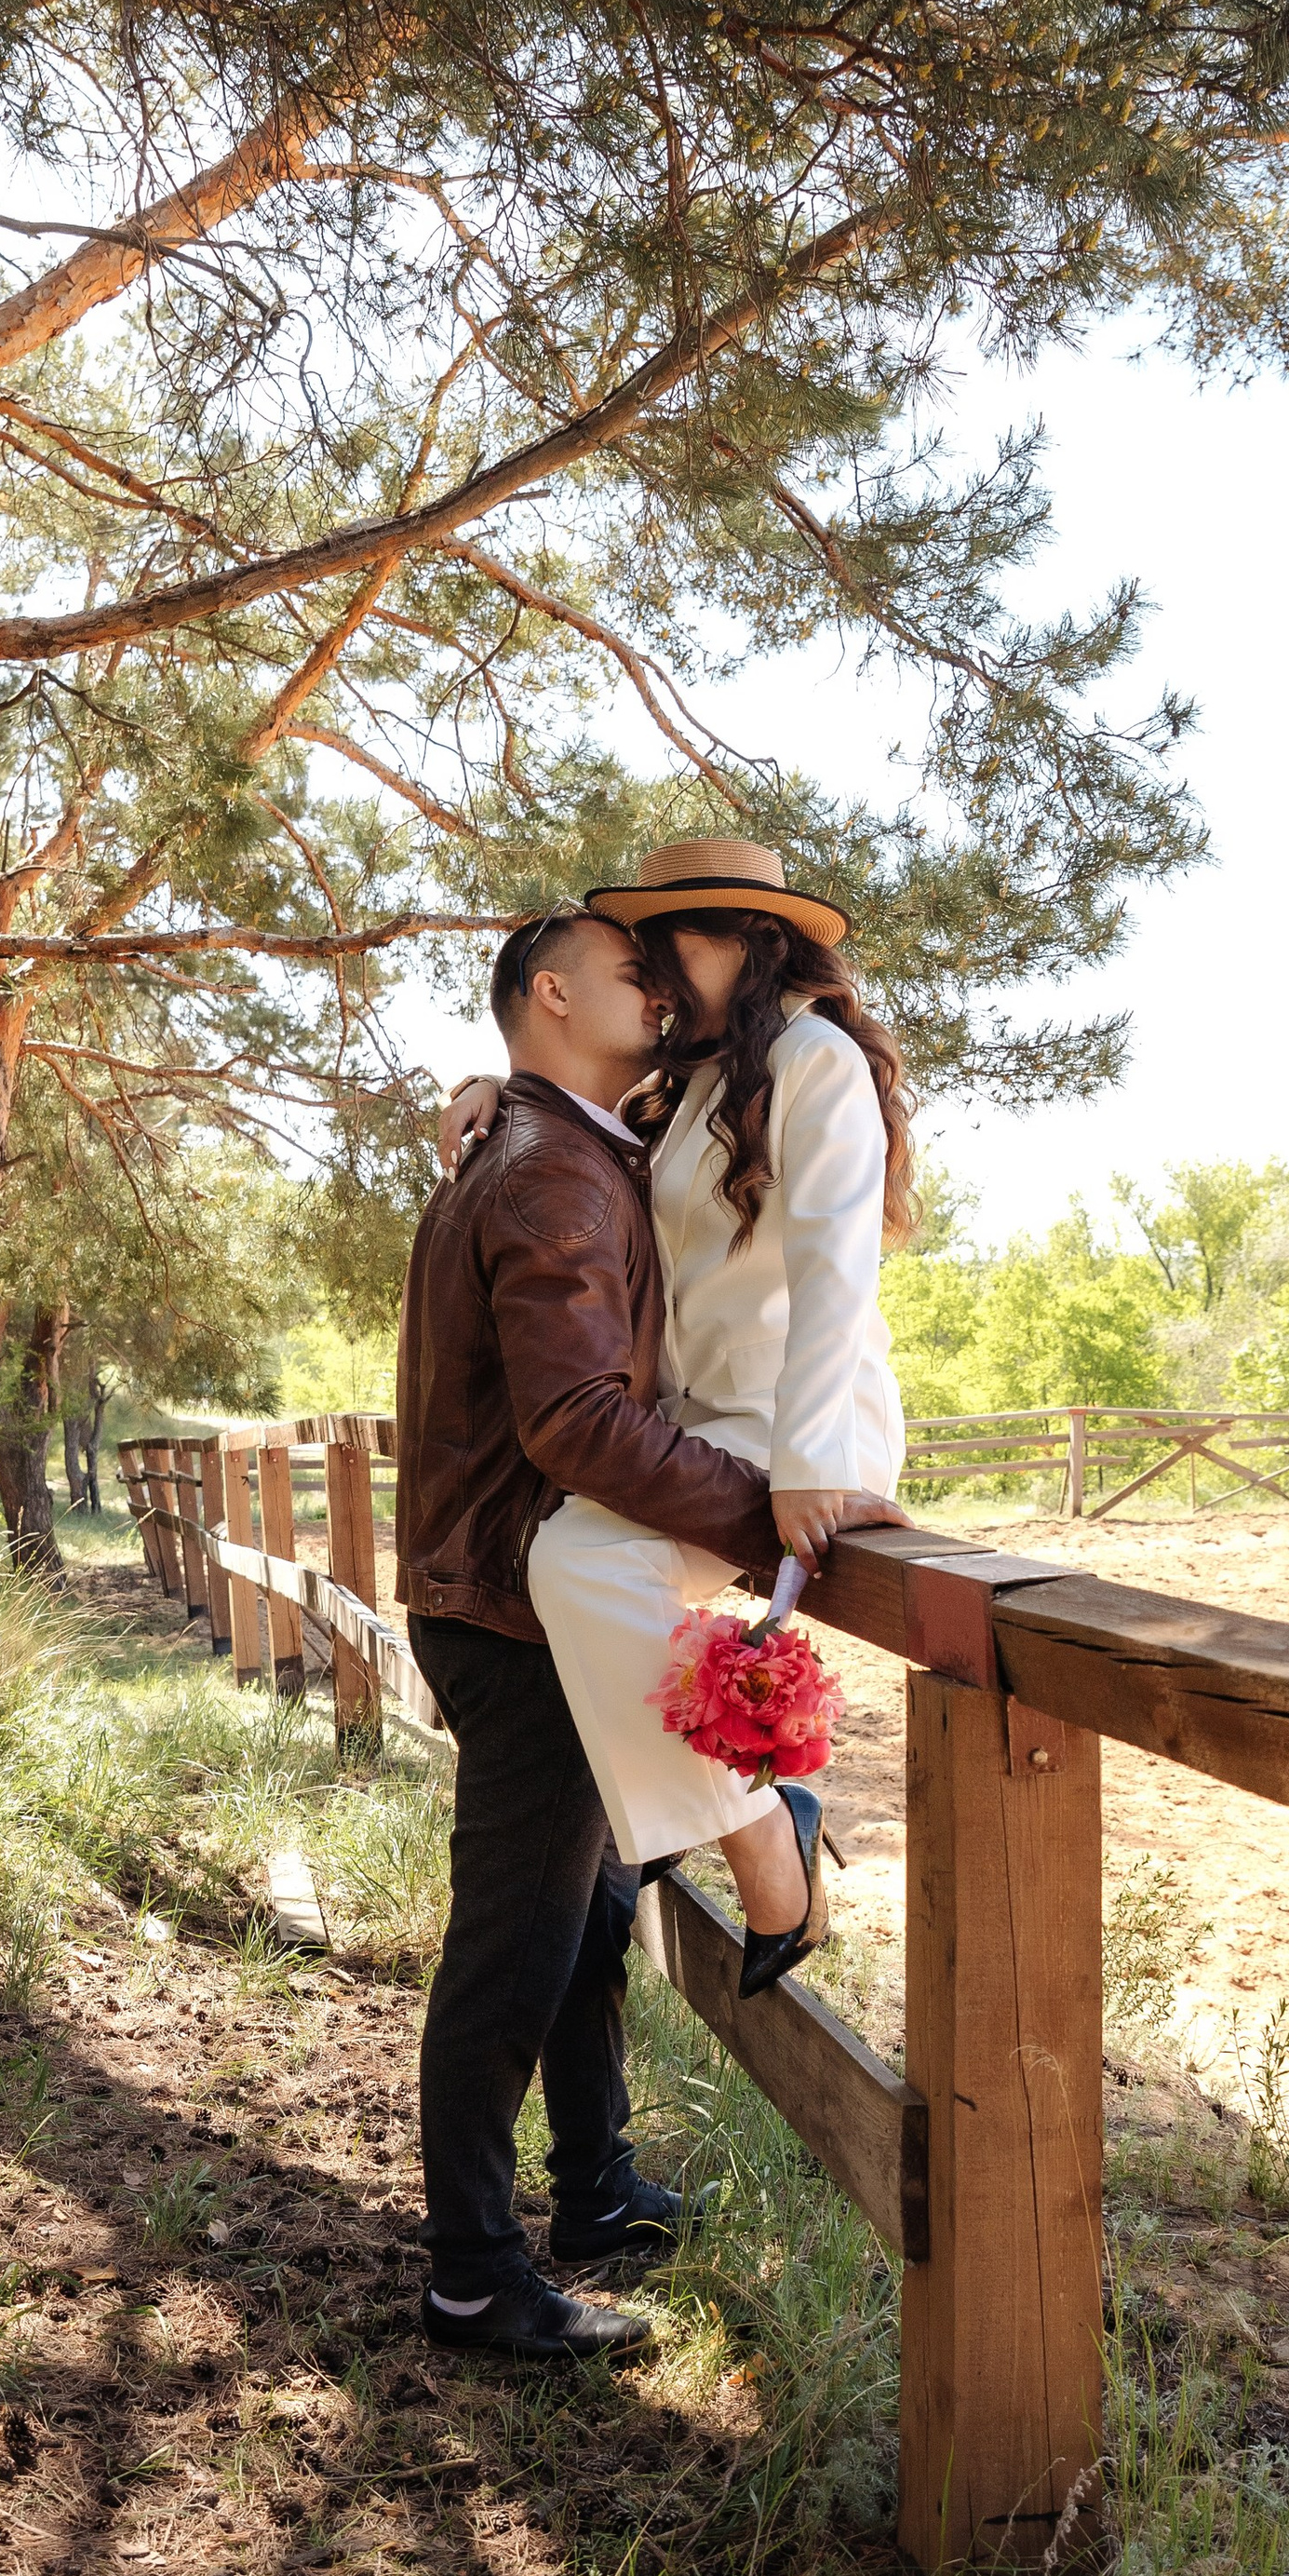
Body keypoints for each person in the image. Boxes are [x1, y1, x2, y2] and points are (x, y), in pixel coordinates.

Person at [395, 901, 798, 2362]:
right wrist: (770, 1515)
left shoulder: (560, 1142)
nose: (664, 993)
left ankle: (597, 2190)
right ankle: (472, 2276)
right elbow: (574, 1419)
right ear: (554, 994)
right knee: (514, 1946)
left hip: (511, 1596)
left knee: (594, 1913)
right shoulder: (551, 1168)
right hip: (516, 1616)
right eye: (637, 974)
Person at [440, 838, 913, 1998]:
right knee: (572, 1559)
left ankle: (758, 1846)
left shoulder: (814, 1060)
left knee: (582, 1563)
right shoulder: (696, 1082)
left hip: (801, 1429)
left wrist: (811, 1465)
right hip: (707, 1431)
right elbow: (580, 1110)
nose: (651, 972)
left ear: (747, 943)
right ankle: (758, 1820)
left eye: (667, 944)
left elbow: (836, 1270)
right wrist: (494, 1088)